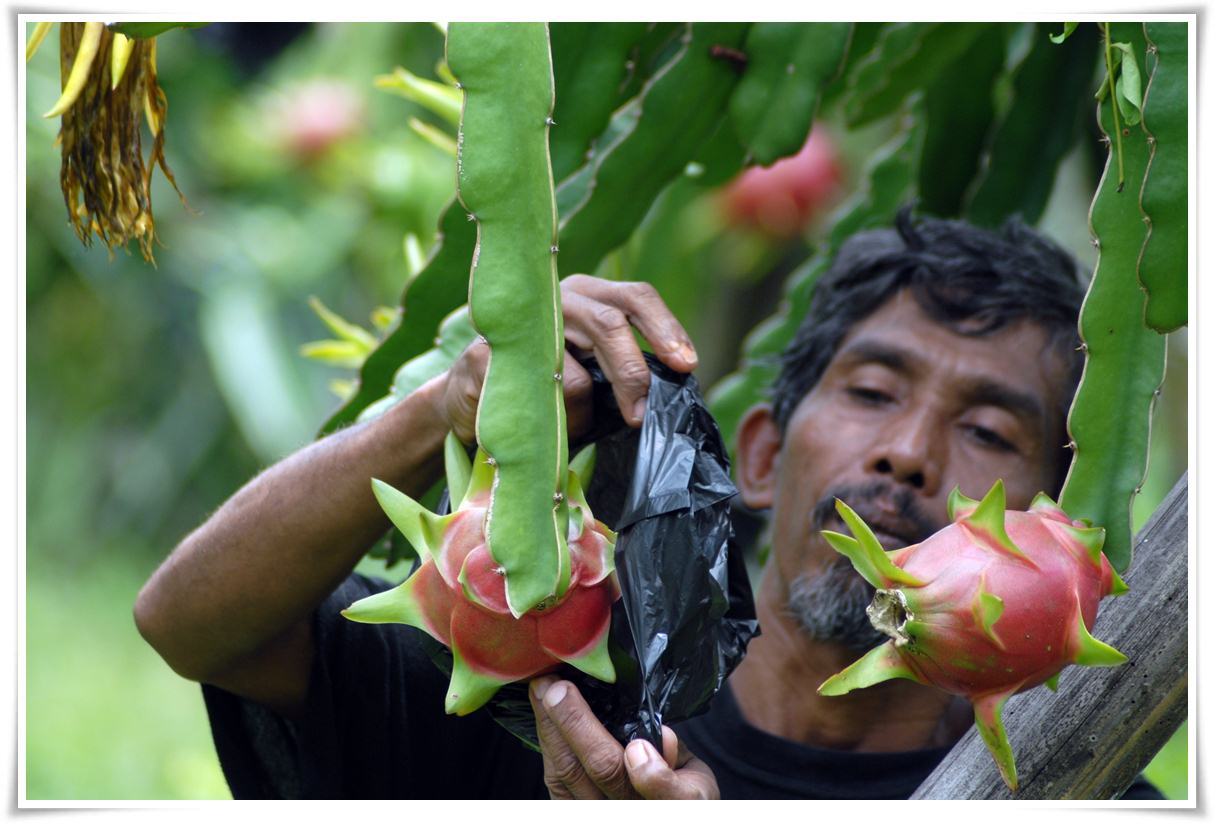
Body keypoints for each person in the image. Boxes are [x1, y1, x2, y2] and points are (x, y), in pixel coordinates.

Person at [135, 209, 1161, 799]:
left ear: (1045, 530)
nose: (906, 452)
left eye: (988, 431)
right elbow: (192, 623)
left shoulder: (1090, 789)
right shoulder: (536, 675)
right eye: (872, 391)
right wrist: (436, 413)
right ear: (758, 456)